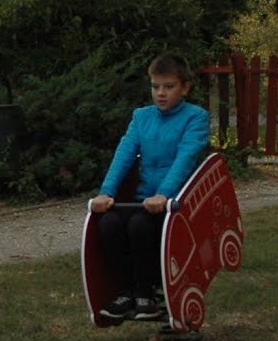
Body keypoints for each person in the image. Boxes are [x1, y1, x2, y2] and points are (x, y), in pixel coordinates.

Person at [88, 54, 211, 322]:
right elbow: (124, 155)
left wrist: (164, 194)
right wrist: (106, 192)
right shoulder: (141, 117)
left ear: (185, 88)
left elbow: (185, 158)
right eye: (155, 86)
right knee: (108, 223)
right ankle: (127, 292)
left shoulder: (195, 118)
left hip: (177, 201)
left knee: (140, 226)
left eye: (169, 86)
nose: (161, 93)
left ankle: (146, 294)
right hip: (145, 199)